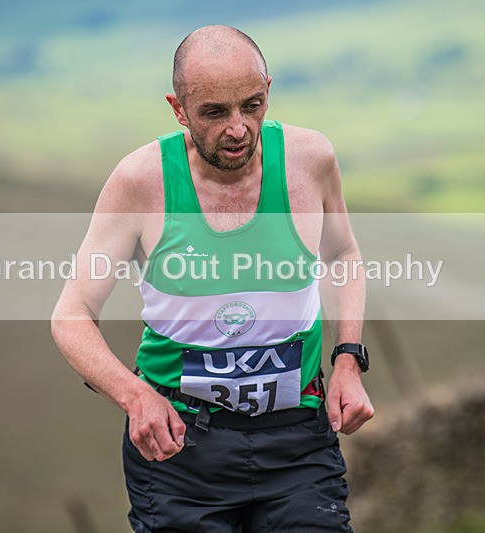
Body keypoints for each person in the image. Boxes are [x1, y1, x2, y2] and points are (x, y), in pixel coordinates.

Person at [52, 24, 374, 532]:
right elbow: (72, 314)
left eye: (251, 105)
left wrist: (348, 360)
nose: (238, 128)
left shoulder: (310, 161)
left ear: (268, 89)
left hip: (298, 440)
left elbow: (342, 255)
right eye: (214, 112)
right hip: (180, 448)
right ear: (178, 109)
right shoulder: (140, 181)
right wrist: (136, 397)